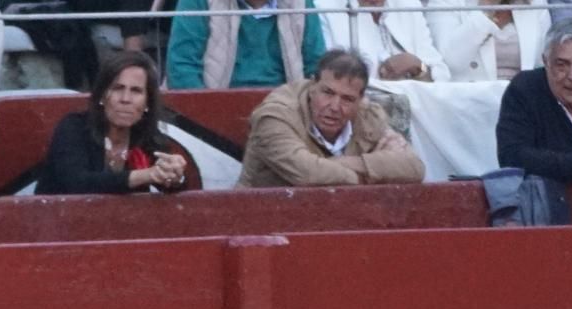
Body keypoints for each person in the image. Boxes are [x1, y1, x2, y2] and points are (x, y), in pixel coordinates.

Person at [238, 47, 426, 186]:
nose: (334, 106)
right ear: (312, 86)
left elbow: (414, 167)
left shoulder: (368, 115)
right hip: (264, 223)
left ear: (360, 99)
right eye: (327, 93)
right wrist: (369, 175)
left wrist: (345, 163)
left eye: (347, 99)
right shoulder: (276, 115)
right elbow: (307, 174)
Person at [496, 17, 572, 216]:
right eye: (561, 65)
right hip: (544, 214)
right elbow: (512, 155)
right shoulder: (524, 89)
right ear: (546, 62)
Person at [37, 50, 189, 195]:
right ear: (102, 96)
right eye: (117, 88)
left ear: (147, 103)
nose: (125, 99)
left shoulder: (147, 134)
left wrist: (174, 175)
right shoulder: (74, 127)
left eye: (136, 91)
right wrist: (145, 175)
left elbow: (172, 186)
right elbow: (77, 183)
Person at [166, 0, 328, 89]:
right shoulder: (197, 1)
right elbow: (181, 68)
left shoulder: (301, 3)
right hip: (214, 113)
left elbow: (318, 69)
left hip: (286, 113)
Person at [315, 0, 450, 80]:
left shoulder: (408, 3)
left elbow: (442, 75)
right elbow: (333, 78)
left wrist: (418, 67)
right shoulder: (324, 7)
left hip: (419, 107)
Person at [426, 0, 550, 81]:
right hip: (469, 102)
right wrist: (488, 15)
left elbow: (543, 64)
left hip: (522, 102)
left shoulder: (535, 4)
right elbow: (450, 61)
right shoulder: (445, 2)